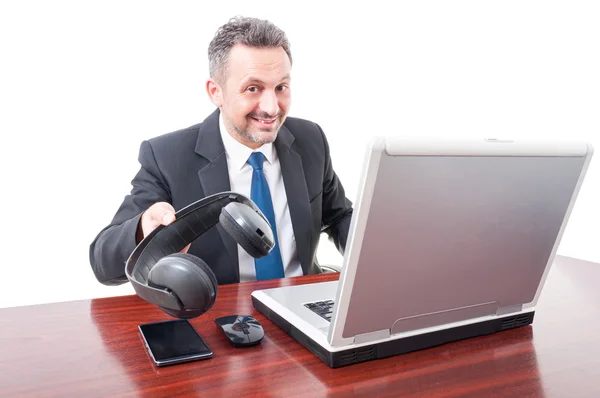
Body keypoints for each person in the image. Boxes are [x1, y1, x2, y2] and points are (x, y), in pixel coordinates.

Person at [89, 16, 353, 286]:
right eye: (253, 88)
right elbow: (102, 262)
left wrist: (379, 249)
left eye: (281, 87)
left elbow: (339, 215)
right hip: (224, 313)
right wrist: (145, 229)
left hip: (302, 302)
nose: (272, 108)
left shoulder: (310, 139)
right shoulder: (167, 157)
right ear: (216, 92)